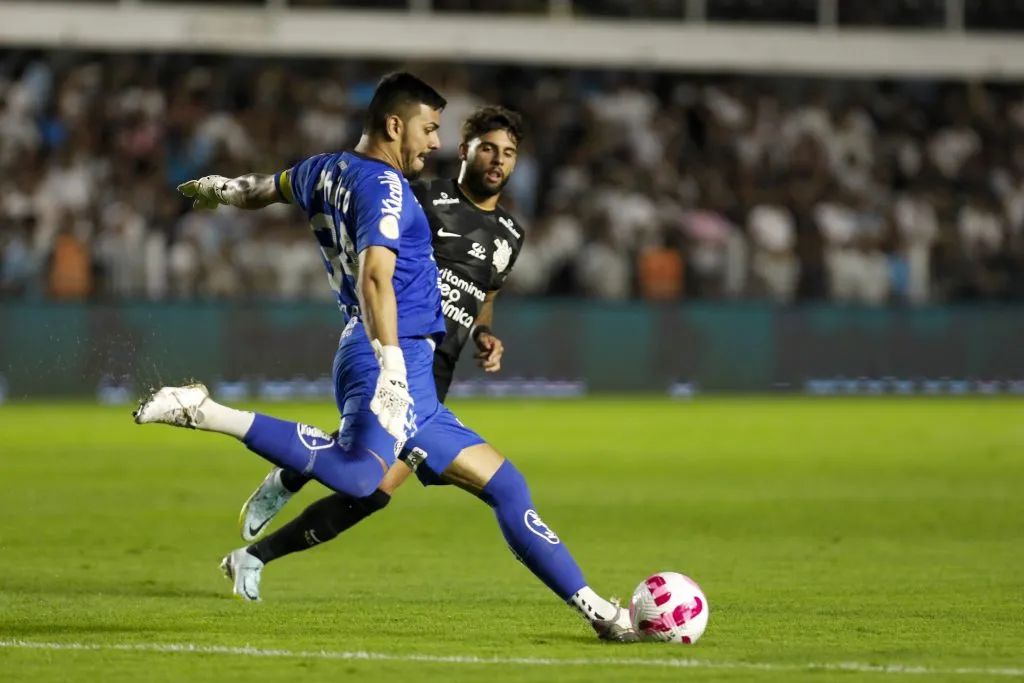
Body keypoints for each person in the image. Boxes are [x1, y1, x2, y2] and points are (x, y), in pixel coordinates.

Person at [133, 73, 637, 642]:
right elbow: (376, 278)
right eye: (430, 128)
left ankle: (601, 613)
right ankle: (203, 411)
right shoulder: (390, 188)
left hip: (413, 369)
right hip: (392, 354)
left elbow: (260, 189)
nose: (434, 142)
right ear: (396, 126)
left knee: (505, 487)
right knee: (359, 478)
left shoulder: (321, 169)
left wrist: (220, 191)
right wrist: (392, 369)